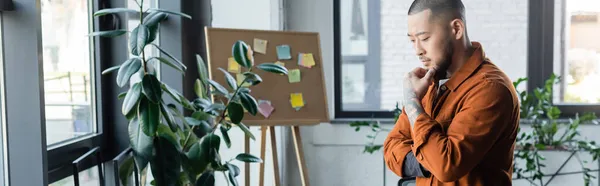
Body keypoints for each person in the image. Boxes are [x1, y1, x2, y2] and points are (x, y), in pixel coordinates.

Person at [383, 0, 520, 185]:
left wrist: (412, 100)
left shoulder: (490, 89)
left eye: (424, 38)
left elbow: (446, 166)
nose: (417, 50)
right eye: (412, 40)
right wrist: (427, 160)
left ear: (456, 29)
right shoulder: (429, 83)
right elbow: (391, 148)